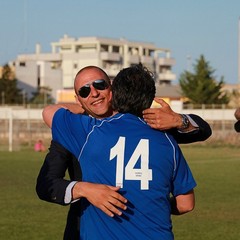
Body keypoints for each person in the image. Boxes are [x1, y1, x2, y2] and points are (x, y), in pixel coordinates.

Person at [36, 65, 211, 239]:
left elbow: (203, 129)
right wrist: (84, 189)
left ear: (112, 89)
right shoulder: (74, 132)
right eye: (84, 91)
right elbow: (46, 185)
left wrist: (179, 120)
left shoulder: (153, 125)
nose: (94, 93)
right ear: (77, 100)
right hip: (85, 229)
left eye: (99, 84)